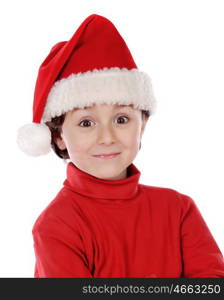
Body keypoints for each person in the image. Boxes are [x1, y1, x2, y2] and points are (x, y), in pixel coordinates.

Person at [17, 14, 224, 278]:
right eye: (86, 123)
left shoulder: (179, 209)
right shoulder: (56, 226)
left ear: (143, 124)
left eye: (122, 119)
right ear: (58, 136)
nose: (107, 137)